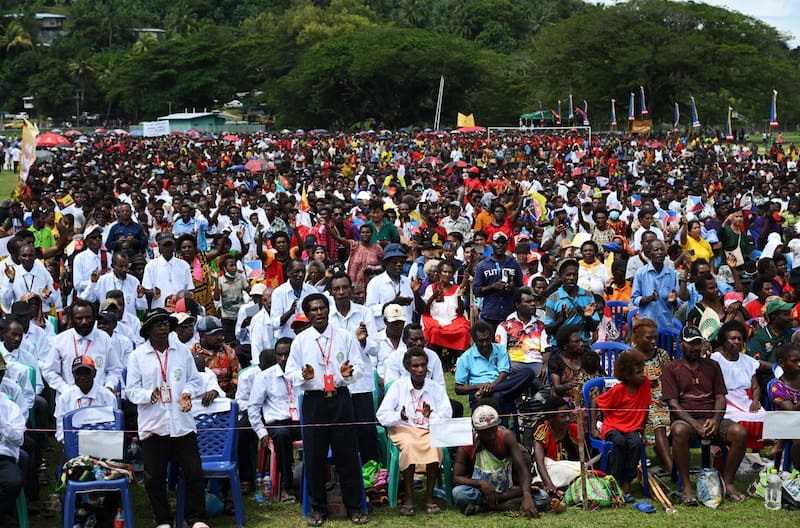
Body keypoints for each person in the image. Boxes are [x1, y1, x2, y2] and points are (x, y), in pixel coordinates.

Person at [283, 293, 368, 526]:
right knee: (314, 456)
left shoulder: (344, 336)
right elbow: (290, 372)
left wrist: (349, 374)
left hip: (340, 398)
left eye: (322, 308)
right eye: (314, 309)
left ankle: (354, 507)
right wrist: (303, 375)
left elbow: (359, 366)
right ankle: (318, 509)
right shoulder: (301, 340)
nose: (319, 313)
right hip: (314, 401)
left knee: (347, 455)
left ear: (328, 310)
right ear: (307, 314)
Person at [125, 309, 209, 528]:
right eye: (157, 324)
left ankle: (196, 518)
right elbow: (131, 391)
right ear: (148, 330)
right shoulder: (137, 357)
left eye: (165, 323)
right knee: (154, 478)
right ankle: (162, 519)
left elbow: (195, 380)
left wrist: (187, 393)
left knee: (194, 471)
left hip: (182, 423)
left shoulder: (182, 351)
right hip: (154, 424)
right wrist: (148, 395)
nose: (163, 328)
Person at [662, 325, 748, 505]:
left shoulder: (712, 366)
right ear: (681, 344)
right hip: (687, 421)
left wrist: (715, 420)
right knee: (678, 430)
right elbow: (673, 404)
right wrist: (695, 425)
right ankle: (686, 486)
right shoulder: (671, 368)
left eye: (698, 343)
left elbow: (720, 398)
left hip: (711, 418)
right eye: (690, 344)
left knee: (739, 432)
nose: (695, 348)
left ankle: (727, 482)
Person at [376, 347, 453, 516]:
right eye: (415, 366)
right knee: (410, 445)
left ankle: (429, 497)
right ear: (407, 367)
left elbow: (447, 414)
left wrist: (431, 415)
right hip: (404, 429)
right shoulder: (398, 386)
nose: (420, 369)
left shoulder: (435, 388)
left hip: (428, 428)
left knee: (434, 446)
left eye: (423, 365)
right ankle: (409, 497)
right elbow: (382, 415)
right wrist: (400, 416)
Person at [452, 404, 546, 517]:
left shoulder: (506, 436)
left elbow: (521, 469)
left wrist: (527, 495)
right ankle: (505, 503)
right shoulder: (467, 444)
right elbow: (456, 478)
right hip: (482, 492)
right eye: (486, 433)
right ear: (477, 431)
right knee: (459, 493)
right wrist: (480, 483)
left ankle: (484, 507)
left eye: (494, 431)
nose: (491, 436)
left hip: (508, 489)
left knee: (542, 497)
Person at [327, 272, 380, 464]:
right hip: (337, 383)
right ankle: (345, 471)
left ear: (351, 289)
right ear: (331, 292)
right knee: (341, 432)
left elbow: (375, 348)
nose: (341, 292)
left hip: (361, 383)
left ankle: (371, 471)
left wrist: (363, 340)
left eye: (344, 288)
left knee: (366, 430)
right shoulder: (327, 316)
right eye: (336, 289)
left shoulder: (364, 313)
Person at [591, 349, 651, 502]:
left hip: (633, 428)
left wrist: (642, 431)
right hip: (613, 426)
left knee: (636, 443)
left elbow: (646, 408)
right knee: (619, 442)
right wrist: (593, 428)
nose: (642, 375)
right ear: (627, 375)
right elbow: (595, 402)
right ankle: (615, 479)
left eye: (642, 370)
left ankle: (627, 481)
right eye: (638, 372)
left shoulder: (645, 384)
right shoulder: (618, 390)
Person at [248, 340, 300, 503]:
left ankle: (319, 481)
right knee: (282, 436)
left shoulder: (303, 373)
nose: (283, 358)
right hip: (278, 423)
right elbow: (253, 408)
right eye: (280, 355)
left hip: (301, 421)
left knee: (319, 433)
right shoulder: (265, 377)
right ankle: (288, 486)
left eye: (287, 354)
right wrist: (261, 432)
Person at [42, 299, 121, 396]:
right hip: (68, 399)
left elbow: (114, 369)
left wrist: (108, 387)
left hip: (99, 398)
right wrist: (65, 390)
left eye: (88, 317)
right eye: (79, 318)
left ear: (94, 318)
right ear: (71, 319)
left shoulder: (104, 339)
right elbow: (49, 371)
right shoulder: (60, 340)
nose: (84, 322)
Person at [710, 320, 767, 449]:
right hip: (725, 399)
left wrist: (755, 401)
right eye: (732, 338)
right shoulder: (715, 358)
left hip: (745, 399)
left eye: (739, 339)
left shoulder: (747, 361)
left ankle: (755, 451)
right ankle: (724, 448)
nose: (736, 342)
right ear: (724, 341)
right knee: (734, 417)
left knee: (761, 415)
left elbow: (755, 387)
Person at [454, 321, 535, 409]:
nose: (485, 344)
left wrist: (492, 386)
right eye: (481, 341)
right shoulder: (465, 358)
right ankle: (488, 393)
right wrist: (478, 386)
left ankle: (487, 392)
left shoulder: (500, 349)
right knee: (497, 396)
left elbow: (503, 373)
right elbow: (458, 389)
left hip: (500, 385)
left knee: (528, 372)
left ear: (491, 338)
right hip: (480, 391)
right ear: (475, 340)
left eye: (487, 340)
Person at [629, 317, 672, 474]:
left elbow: (671, 378)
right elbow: (624, 384)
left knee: (680, 416)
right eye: (649, 338)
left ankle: (662, 452)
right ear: (638, 337)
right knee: (657, 421)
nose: (653, 341)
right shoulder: (630, 357)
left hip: (665, 399)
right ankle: (671, 468)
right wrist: (646, 384)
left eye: (655, 337)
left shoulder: (662, 355)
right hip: (641, 402)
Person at [54, 355, 117, 443]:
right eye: (79, 373)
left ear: (94, 373)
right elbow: (60, 431)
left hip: (101, 444)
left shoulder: (107, 396)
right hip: (73, 443)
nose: (82, 377)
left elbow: (114, 428)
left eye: (87, 373)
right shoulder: (64, 398)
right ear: (73, 374)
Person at [495, 287, 549, 382]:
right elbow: (501, 351)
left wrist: (545, 366)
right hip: (513, 363)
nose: (533, 304)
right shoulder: (504, 326)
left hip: (535, 363)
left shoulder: (541, 326)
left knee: (545, 385)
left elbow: (546, 349)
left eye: (533, 301)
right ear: (517, 304)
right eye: (528, 302)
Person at [472, 232, 523, 329]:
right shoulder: (483, 265)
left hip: (509, 313)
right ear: (491, 243)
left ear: (507, 244)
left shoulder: (514, 264)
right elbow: (476, 290)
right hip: (490, 313)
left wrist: (513, 288)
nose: (500, 245)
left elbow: (520, 288)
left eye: (503, 242)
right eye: (497, 242)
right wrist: (492, 286)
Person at [365, 243, 421, 332]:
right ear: (385, 263)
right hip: (384, 334)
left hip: (406, 334)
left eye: (402, 262)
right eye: (394, 262)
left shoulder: (408, 282)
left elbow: (418, 310)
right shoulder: (375, 283)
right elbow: (370, 311)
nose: (399, 264)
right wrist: (393, 303)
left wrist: (416, 293)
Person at [631, 239, 684, 330]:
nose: (659, 252)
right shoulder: (641, 273)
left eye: (662, 250)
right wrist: (648, 298)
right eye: (656, 250)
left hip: (666, 324)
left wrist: (673, 301)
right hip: (647, 326)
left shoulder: (672, 274)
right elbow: (634, 298)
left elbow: (678, 302)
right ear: (649, 253)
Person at [544, 258, 599, 344]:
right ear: (561, 276)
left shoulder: (588, 296)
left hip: (582, 345)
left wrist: (587, 317)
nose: (572, 278)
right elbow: (548, 330)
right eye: (568, 275)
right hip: (560, 346)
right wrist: (562, 319)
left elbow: (593, 327)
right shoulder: (553, 298)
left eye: (574, 274)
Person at [532, 397, 580, 494]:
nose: (567, 419)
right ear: (551, 419)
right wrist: (549, 484)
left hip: (571, 472)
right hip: (549, 472)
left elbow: (582, 460)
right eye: (563, 416)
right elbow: (540, 463)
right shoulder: (543, 432)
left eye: (568, 415)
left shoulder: (575, 430)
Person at [421, 260, 471, 352]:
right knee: (434, 331)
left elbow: (460, 312)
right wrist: (433, 297)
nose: (447, 275)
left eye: (450, 272)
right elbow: (425, 310)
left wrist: (458, 297)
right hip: (435, 319)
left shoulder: (456, 288)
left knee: (464, 331)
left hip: (454, 320)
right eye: (444, 272)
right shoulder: (431, 288)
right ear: (439, 273)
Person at [749, 298, 796, 394]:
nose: (791, 318)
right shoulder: (760, 337)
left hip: (793, 374)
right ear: (774, 317)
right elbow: (755, 362)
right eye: (786, 314)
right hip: (771, 377)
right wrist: (777, 367)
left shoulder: (791, 334)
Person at [80, 252, 147, 316]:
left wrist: (140, 297)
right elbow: (86, 298)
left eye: (126, 266)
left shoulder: (134, 281)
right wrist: (93, 283)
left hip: (128, 321)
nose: (124, 269)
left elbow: (141, 307)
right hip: (107, 321)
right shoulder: (103, 280)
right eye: (121, 266)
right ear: (113, 266)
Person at [0, 358, 24, 528]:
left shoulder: (10, 406)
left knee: (14, 482)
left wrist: (2, 421)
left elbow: (19, 439)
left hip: (3, 457)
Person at [192, 316, 241, 399]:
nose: (219, 337)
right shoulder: (192, 354)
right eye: (214, 334)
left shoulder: (229, 352)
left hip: (226, 398)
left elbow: (237, 377)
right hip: (201, 398)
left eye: (220, 333)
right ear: (202, 335)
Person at [142, 232, 193, 310]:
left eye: (169, 245)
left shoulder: (184, 265)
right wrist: (152, 292)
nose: (167, 248)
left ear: (174, 245)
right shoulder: (151, 266)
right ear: (159, 245)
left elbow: (190, 289)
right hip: (159, 308)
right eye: (165, 245)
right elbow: (146, 288)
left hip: (180, 309)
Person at [269, 259, 319, 339]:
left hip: (308, 338)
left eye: (303, 272)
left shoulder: (313, 291)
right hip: (287, 340)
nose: (301, 274)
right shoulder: (278, 293)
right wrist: (290, 312)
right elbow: (274, 324)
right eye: (297, 271)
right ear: (288, 272)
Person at [769, 344, 800, 469]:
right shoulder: (777, 387)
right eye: (794, 361)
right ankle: (797, 470)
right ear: (781, 363)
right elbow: (791, 410)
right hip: (784, 421)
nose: (799, 364)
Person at [213, 253, 250, 344]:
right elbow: (216, 298)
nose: (234, 268)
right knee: (230, 342)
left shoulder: (240, 278)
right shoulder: (220, 281)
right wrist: (216, 281)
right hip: (227, 318)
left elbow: (249, 291)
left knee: (241, 340)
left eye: (235, 265)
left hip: (240, 316)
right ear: (224, 268)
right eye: (231, 265)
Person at [177, 234, 217, 317]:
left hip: (206, 301)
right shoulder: (177, 261)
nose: (187, 249)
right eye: (184, 247)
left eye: (189, 247)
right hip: (188, 303)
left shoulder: (202, 258)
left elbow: (218, 251)